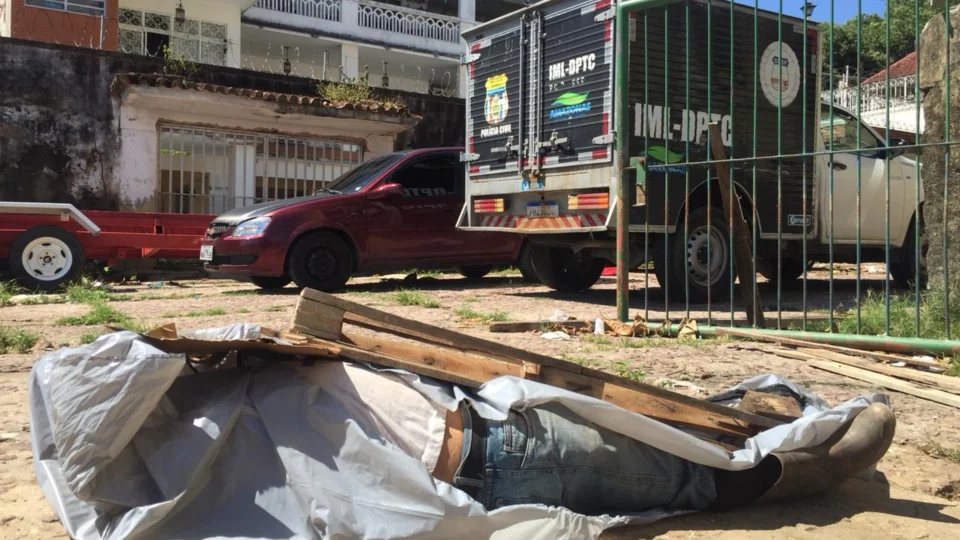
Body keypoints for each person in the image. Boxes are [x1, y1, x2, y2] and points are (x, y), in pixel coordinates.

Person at [319, 360, 896, 516]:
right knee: (684, 473)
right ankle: (804, 474)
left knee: (648, 423)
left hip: (477, 408)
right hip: (492, 459)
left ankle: (764, 445)